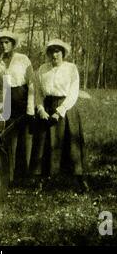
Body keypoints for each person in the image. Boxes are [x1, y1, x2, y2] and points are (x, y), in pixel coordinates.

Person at [30, 39, 88, 192]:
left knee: (71, 145)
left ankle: (79, 180)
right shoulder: (42, 69)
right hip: (47, 108)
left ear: (63, 53)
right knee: (43, 144)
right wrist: (41, 109)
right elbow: (38, 93)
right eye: (51, 51)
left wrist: (60, 111)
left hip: (66, 109)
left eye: (57, 51)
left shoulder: (71, 68)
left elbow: (73, 92)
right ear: (48, 54)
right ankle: (41, 180)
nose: (54, 55)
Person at [0, 30, 35, 186]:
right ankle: (7, 177)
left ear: (12, 43)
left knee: (25, 139)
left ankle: (23, 177)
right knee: (8, 139)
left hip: (23, 98)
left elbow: (31, 83)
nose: (4, 45)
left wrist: (30, 108)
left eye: (7, 42)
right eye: (1, 43)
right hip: (8, 100)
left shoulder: (23, 59)